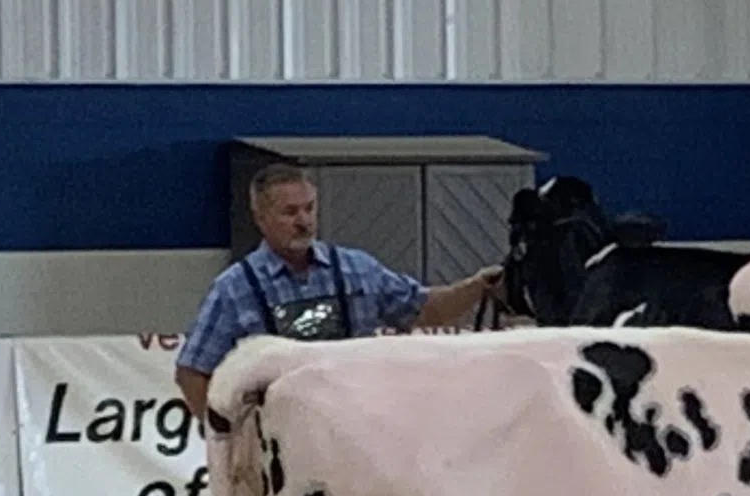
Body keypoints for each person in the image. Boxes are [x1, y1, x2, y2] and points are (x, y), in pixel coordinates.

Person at [174, 161, 503, 427]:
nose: (304, 221)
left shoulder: (356, 269)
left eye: (309, 208)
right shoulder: (235, 289)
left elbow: (426, 309)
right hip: (279, 442)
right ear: (260, 218)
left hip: (355, 431)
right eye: (290, 212)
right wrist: (225, 436)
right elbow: (192, 372)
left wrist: (477, 285)